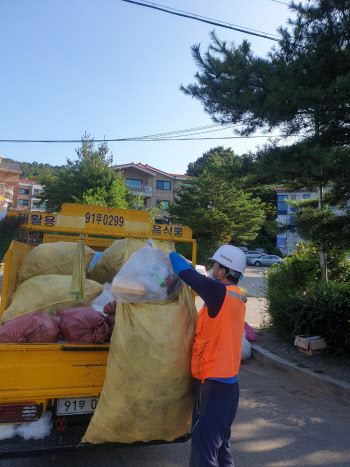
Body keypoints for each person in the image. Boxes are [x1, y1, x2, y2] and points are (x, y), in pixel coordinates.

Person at [168, 245, 247, 467]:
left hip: (212, 387)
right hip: (229, 387)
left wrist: (168, 251)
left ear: (223, 271)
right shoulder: (237, 297)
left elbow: (186, 273)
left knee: (204, 450)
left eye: (215, 265)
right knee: (221, 448)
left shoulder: (218, 293)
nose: (212, 268)